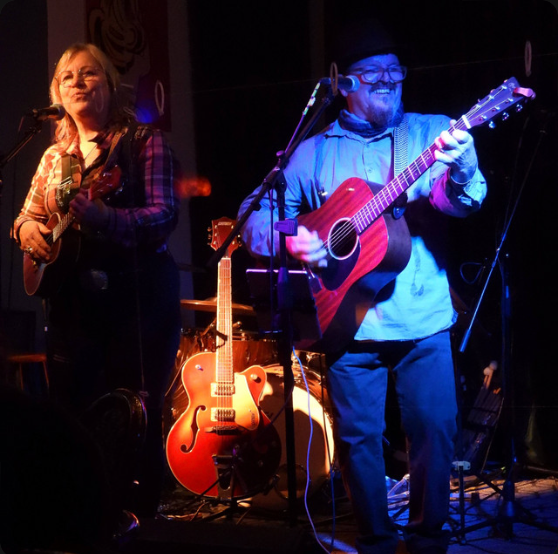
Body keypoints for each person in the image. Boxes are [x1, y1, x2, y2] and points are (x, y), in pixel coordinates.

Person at [237, 19, 487, 554]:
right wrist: (294, 240)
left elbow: (460, 203)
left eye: (395, 72)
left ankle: (428, 539)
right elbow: (253, 215)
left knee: (434, 431)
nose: (388, 82)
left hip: (421, 315)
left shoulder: (430, 132)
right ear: (344, 82)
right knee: (357, 441)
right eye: (374, 74)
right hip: (347, 320)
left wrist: (464, 164)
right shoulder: (313, 151)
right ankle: (375, 541)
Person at [12, 43, 182, 526]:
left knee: (134, 414)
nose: (78, 83)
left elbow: (164, 215)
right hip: (72, 308)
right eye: (68, 77)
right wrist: (27, 231)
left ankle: (138, 520)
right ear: (57, 94)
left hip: (137, 304)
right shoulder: (53, 156)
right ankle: (82, 519)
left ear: (109, 83)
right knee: (73, 412)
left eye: (89, 74)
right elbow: (26, 217)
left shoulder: (143, 142)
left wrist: (108, 218)